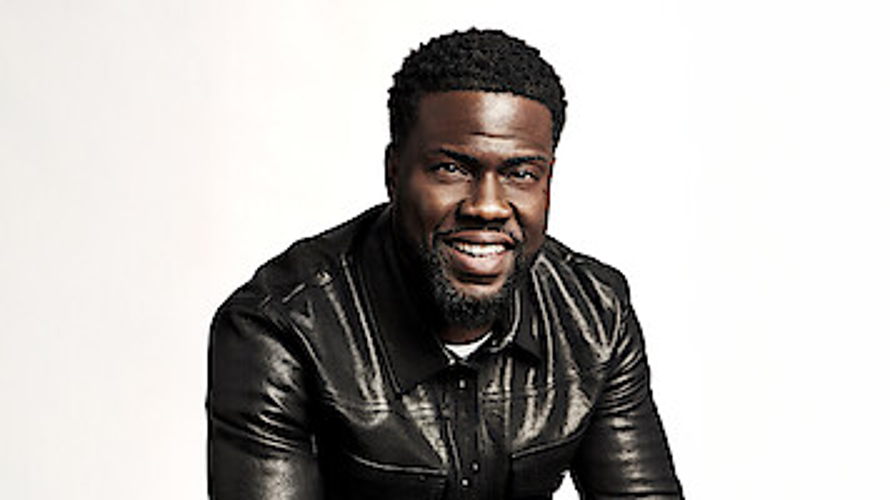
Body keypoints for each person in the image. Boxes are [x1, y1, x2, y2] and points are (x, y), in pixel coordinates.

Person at [207, 28, 683, 499]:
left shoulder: (594, 316)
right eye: (452, 169)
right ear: (394, 172)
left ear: (547, 183)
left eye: (521, 174)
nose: (488, 206)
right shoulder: (281, 328)